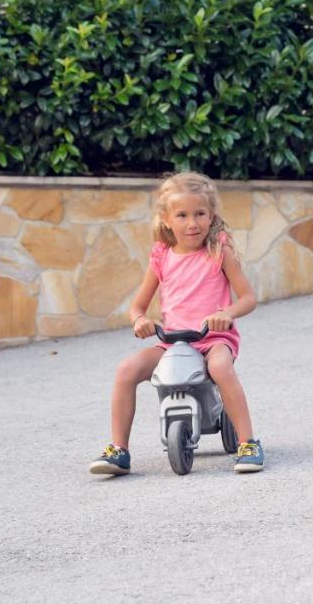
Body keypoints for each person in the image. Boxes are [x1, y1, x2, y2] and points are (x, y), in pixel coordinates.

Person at [89, 172, 264, 476]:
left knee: (221, 368)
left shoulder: (217, 252)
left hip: (212, 339)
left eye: (199, 214)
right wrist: (140, 320)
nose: (192, 223)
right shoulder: (162, 257)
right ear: (167, 220)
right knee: (126, 370)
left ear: (211, 216)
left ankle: (248, 442)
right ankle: (119, 449)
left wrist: (228, 313)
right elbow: (137, 306)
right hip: (171, 340)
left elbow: (248, 297)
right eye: (182, 215)